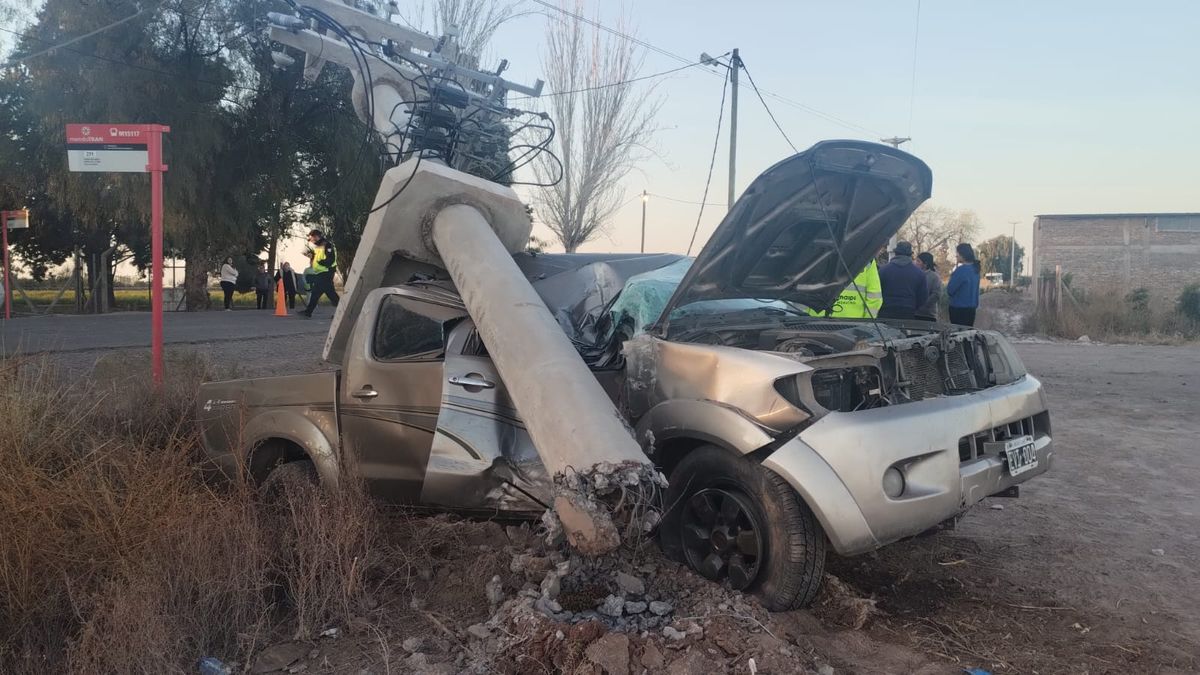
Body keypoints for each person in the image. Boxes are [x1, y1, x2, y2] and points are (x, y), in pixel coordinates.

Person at [810, 258, 882, 318]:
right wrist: (867, 322)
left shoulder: (817, 256)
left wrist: (804, 317)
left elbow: (803, 290)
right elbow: (875, 297)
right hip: (852, 324)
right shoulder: (868, 260)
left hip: (816, 321)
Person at [877, 240, 927, 320]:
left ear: (895, 253)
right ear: (910, 255)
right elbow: (923, 297)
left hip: (886, 310)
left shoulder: (883, 270)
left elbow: (877, 292)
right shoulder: (919, 273)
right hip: (907, 311)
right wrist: (913, 307)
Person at [299, 229, 339, 318]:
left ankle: (308, 312)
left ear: (316, 236)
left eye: (312, 238)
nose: (311, 240)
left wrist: (322, 262)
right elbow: (310, 254)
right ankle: (308, 312)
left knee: (320, 293)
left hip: (326, 272)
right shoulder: (317, 247)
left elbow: (331, 258)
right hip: (321, 272)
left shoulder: (327, 245)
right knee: (327, 293)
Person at [946, 243, 981, 326]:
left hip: (958, 309)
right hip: (971, 309)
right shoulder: (975, 270)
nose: (956, 255)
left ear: (962, 254)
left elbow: (950, 290)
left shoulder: (960, 271)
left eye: (957, 253)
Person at [914, 252, 943, 322]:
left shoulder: (934, 277)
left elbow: (936, 294)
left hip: (929, 314)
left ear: (925, 263)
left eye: (918, 261)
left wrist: (923, 305)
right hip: (914, 313)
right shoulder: (914, 274)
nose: (916, 263)